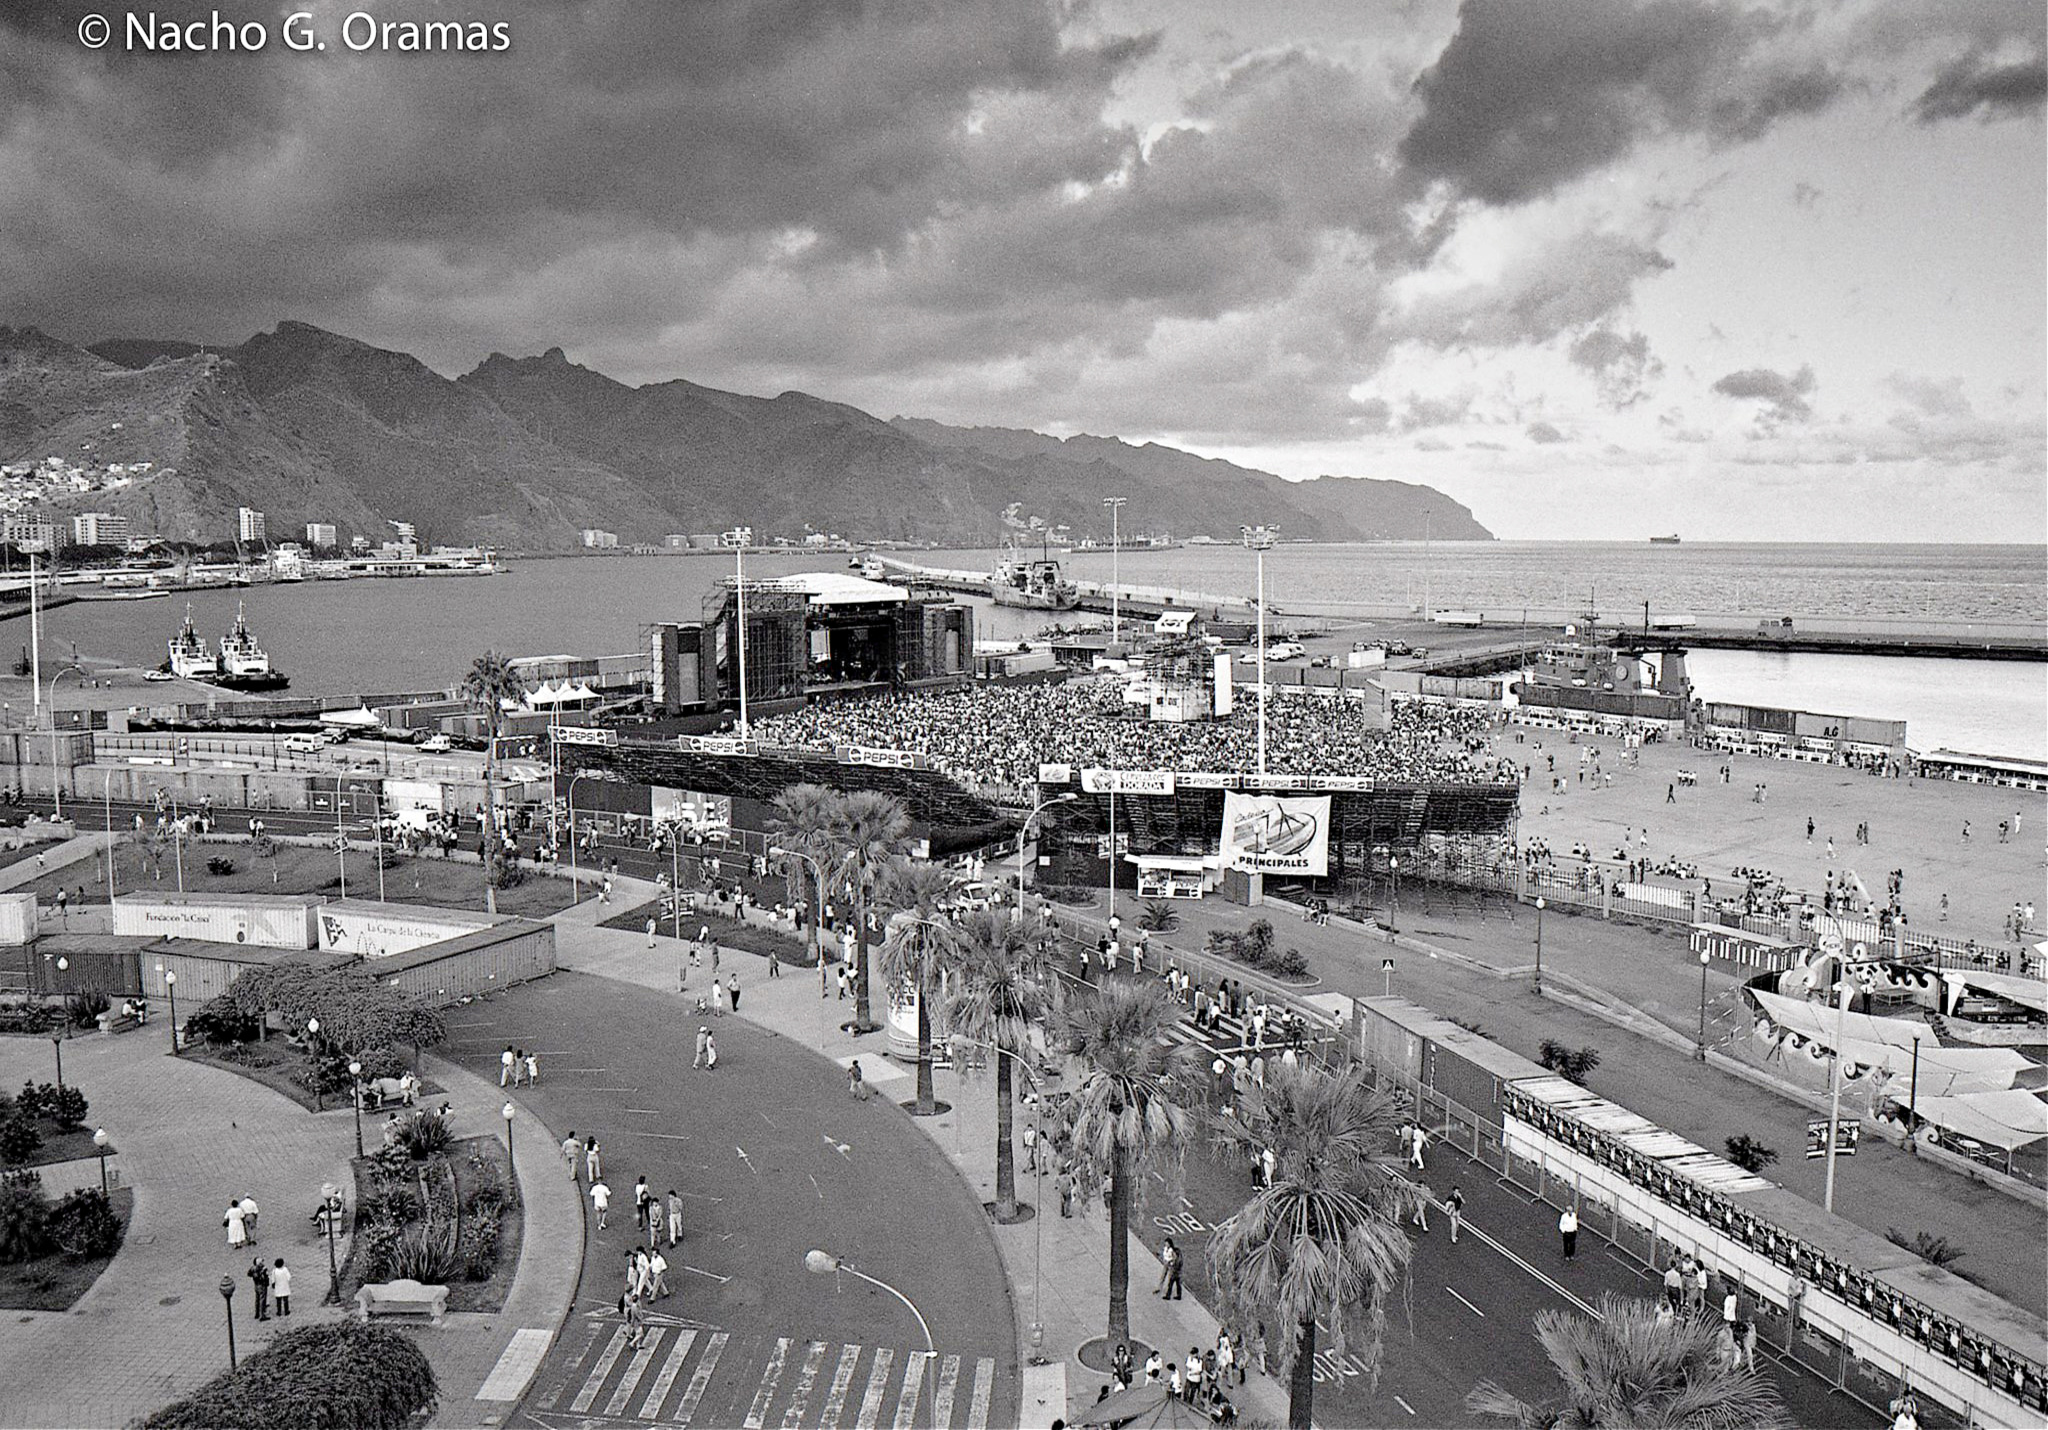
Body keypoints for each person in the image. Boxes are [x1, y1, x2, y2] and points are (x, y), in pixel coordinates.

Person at [248, 1255, 270, 1320]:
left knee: (257, 1300)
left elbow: (249, 1274)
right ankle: (262, 1315)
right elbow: (265, 1276)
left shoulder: (252, 1268)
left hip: (256, 1285)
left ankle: (257, 1313)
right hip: (262, 1285)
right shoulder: (263, 1268)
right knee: (262, 1300)